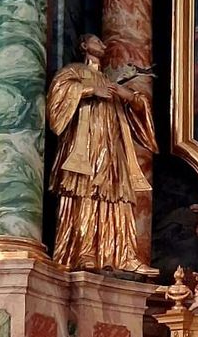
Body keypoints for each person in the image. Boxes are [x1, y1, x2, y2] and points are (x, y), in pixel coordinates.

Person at [47, 36, 155, 273]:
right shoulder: (74, 71)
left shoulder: (110, 80)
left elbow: (139, 108)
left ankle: (122, 254)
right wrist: (89, 90)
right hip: (86, 144)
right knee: (85, 190)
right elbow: (58, 95)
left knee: (117, 193)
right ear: (84, 45)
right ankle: (84, 251)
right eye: (96, 41)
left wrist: (129, 97)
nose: (102, 45)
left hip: (113, 146)